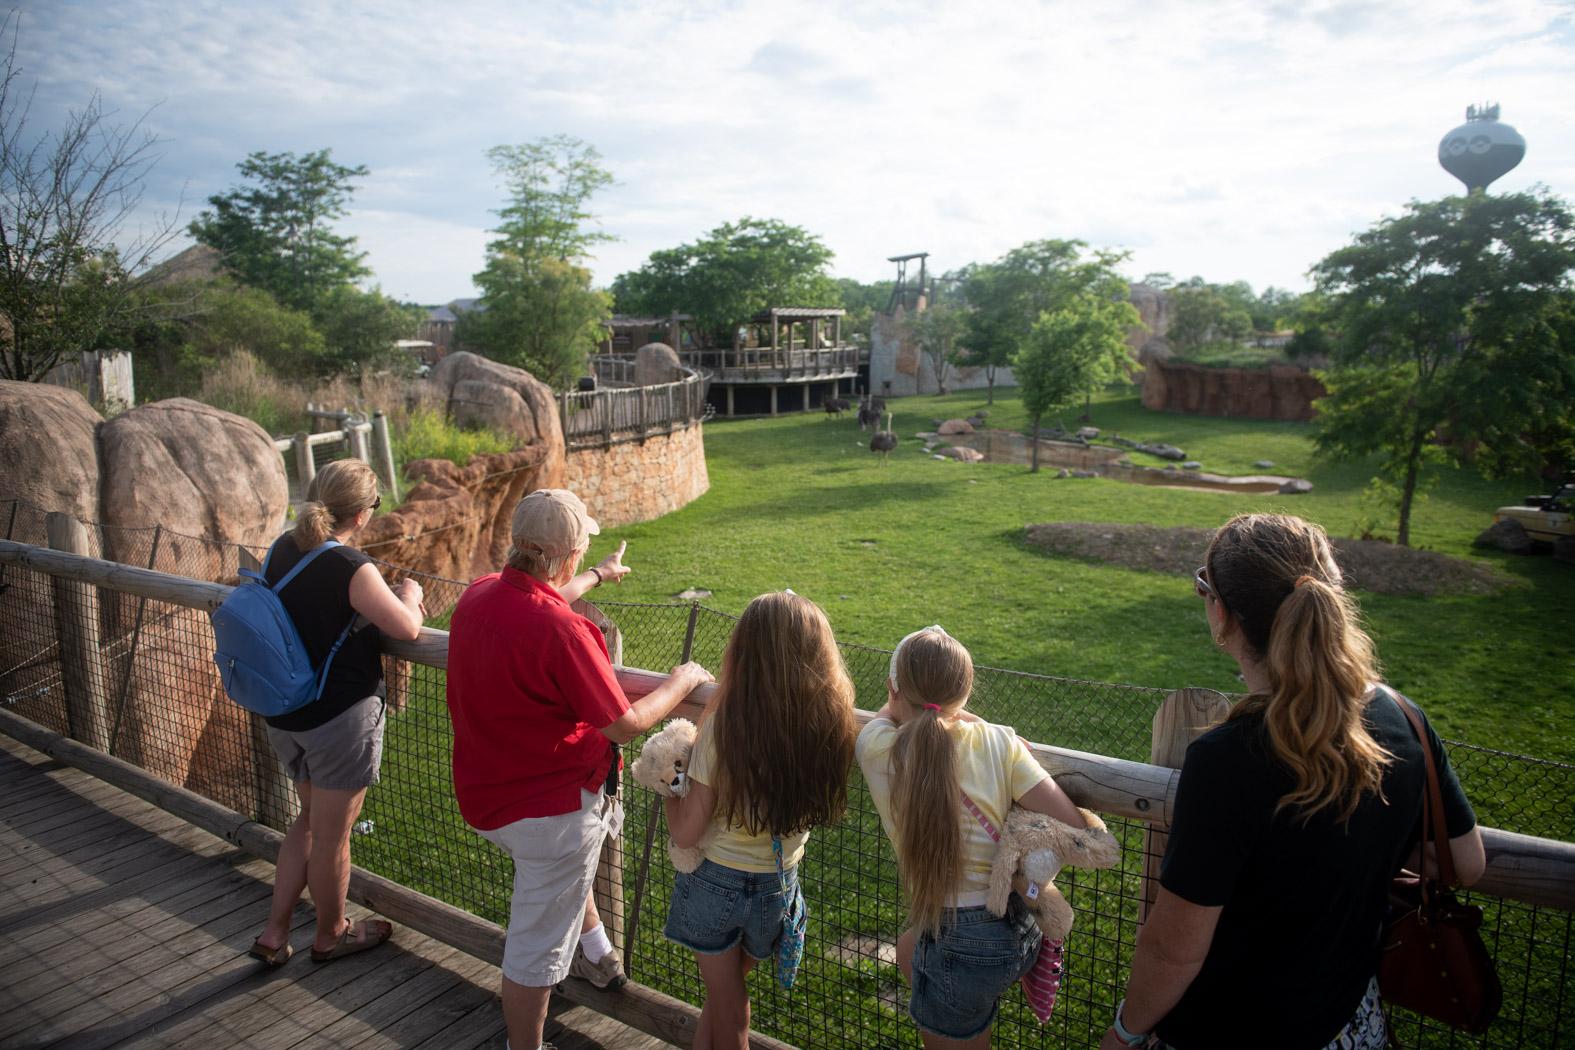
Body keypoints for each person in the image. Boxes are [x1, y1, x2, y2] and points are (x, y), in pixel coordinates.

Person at [1102, 513, 1486, 1050]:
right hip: (1351, 1030)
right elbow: (1466, 863)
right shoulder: (1404, 720)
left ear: (1222, 615)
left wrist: (1124, 1032)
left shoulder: (1227, 760)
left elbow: (1174, 951)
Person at [446, 488, 712, 1050]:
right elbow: (622, 723)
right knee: (536, 950)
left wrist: (597, 575)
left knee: (560, 885)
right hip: (550, 814)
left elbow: (540, 599)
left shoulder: (478, 596)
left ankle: (597, 956)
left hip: (486, 797)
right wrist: (682, 682)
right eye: (584, 545)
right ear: (565, 553)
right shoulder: (563, 632)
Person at [857, 626, 1090, 1050]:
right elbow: (1072, 822)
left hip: (957, 941)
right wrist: (982, 725)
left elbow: (887, 716)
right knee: (910, 950)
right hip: (1017, 930)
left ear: (893, 689)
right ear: (965, 696)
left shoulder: (875, 748)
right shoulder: (999, 742)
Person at [662, 592, 859, 1050]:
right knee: (722, 1001)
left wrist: (668, 791)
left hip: (716, 887)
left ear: (744, 651)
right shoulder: (832, 724)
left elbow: (686, 831)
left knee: (732, 1011)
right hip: (777, 888)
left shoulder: (724, 727)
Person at [248, 458, 424, 966]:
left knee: (307, 823)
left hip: (288, 714)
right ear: (363, 514)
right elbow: (407, 629)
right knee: (332, 837)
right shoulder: (353, 568)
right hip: (338, 719)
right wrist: (409, 595)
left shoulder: (283, 547)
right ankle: (332, 933)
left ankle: (274, 932)